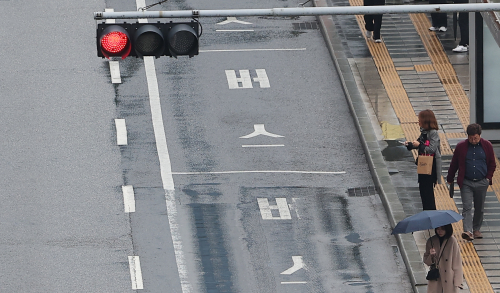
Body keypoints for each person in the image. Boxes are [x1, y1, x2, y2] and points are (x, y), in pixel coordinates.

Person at [446, 123, 496, 241]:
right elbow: (454, 163)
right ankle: (468, 231)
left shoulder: (487, 145)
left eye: (476, 138)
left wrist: (488, 178)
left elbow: (492, 164)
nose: (473, 140)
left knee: (480, 207)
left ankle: (476, 228)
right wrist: (450, 178)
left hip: (481, 181)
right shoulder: (461, 147)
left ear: (480, 136)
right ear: (467, 136)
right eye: (471, 138)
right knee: (467, 207)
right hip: (466, 182)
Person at [405, 110, 442, 210]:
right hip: (423, 166)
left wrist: (419, 145)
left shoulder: (433, 133)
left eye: (420, 120)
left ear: (426, 121)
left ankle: (431, 215)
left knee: (428, 194)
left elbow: (431, 149)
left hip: (430, 167)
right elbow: (418, 143)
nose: (418, 122)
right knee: (423, 192)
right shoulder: (423, 132)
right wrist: (410, 145)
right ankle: (427, 213)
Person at [423, 224, 463, 293]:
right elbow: (427, 261)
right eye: (438, 229)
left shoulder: (452, 241)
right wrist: (431, 255)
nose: (440, 231)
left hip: (449, 277)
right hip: (436, 277)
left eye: (442, 229)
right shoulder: (431, 241)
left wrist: (458, 281)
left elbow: (457, 262)